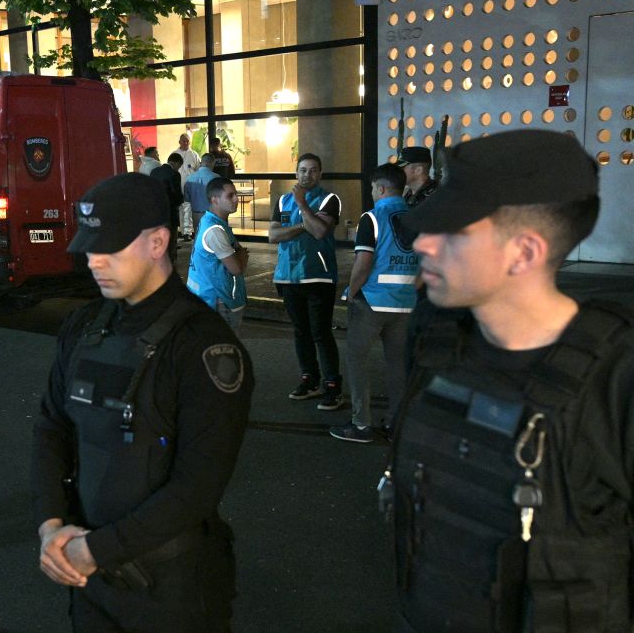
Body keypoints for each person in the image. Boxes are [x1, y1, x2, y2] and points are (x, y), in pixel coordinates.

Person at [384, 129, 634, 632]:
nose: (424, 243)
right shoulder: (433, 337)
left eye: (453, 229)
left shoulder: (616, 379)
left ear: (523, 253)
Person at [31, 173, 252, 633]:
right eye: (90, 248)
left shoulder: (202, 345)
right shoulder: (84, 326)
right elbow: (51, 427)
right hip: (88, 575)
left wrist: (93, 550)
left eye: (110, 247)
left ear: (158, 242)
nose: (94, 261)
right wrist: (50, 524)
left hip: (170, 587)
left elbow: (197, 486)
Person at [329, 165, 417, 444]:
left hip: (373, 301)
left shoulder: (373, 218)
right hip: (407, 304)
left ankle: (361, 424)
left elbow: (363, 263)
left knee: (357, 361)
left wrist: (351, 292)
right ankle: (396, 424)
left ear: (379, 188)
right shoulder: (419, 218)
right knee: (398, 365)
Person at [269, 153, 343, 411]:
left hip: (319, 277)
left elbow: (321, 230)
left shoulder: (330, 199)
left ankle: (332, 385)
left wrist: (302, 206)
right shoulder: (282, 201)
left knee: (320, 333)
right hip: (289, 276)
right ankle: (309, 379)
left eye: (313, 171)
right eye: (302, 170)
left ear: (320, 174)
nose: (307, 175)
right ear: (296, 172)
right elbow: (273, 236)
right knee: (301, 332)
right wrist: (304, 224)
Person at [187, 177, 248, 330]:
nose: (236, 199)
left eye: (236, 194)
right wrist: (240, 254)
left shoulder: (209, 220)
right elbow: (236, 268)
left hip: (205, 296)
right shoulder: (215, 230)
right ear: (215, 200)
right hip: (219, 300)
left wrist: (239, 253)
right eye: (230, 196)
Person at [149, 153, 184, 263]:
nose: (179, 168)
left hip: (155, 213)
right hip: (170, 213)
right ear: (176, 162)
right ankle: (169, 266)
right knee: (171, 241)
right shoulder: (174, 174)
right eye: (179, 166)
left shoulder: (154, 172)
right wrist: (181, 200)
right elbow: (177, 195)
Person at [172, 133, 201, 240]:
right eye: (183, 141)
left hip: (190, 186)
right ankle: (180, 230)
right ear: (179, 142)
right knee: (179, 208)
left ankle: (187, 232)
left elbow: (198, 170)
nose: (185, 143)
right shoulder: (174, 154)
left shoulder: (194, 155)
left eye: (187, 141)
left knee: (188, 208)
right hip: (177, 186)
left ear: (190, 142)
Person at [183, 162, 219, 238]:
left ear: (200, 163)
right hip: (212, 214)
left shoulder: (190, 178)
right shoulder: (216, 178)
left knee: (198, 237)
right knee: (212, 238)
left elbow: (187, 199)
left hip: (196, 214)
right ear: (212, 163)